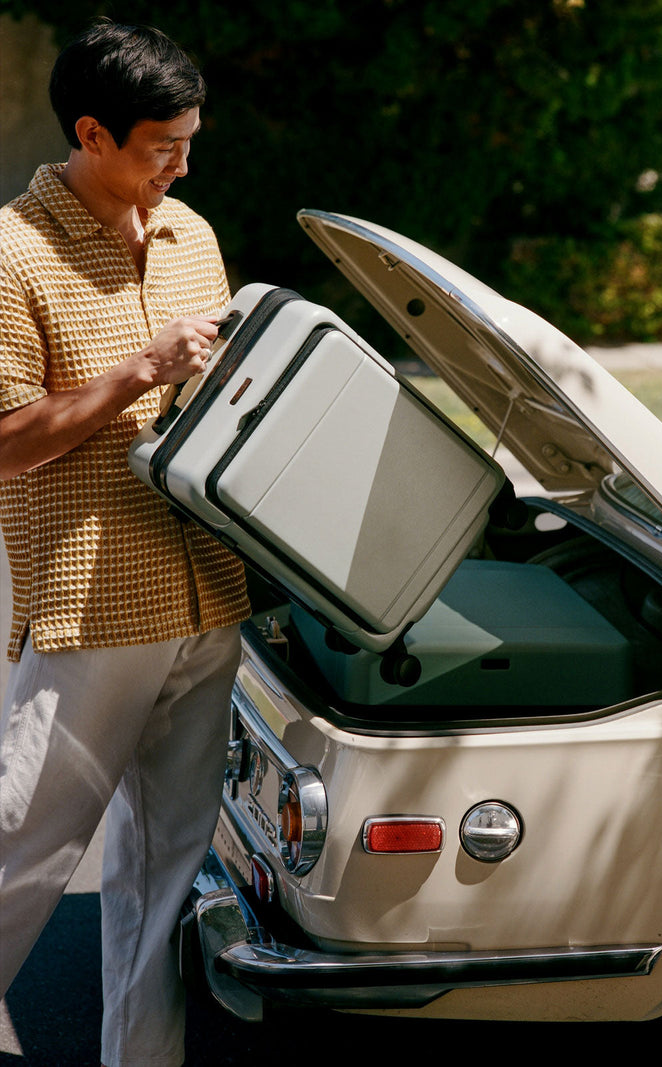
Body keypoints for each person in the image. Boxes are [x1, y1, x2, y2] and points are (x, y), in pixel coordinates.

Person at [0, 20, 251, 1065]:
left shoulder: (192, 233)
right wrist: (140, 372)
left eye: (190, 141)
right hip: (92, 607)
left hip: (208, 598)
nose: (182, 165)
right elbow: (7, 443)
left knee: (163, 882)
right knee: (19, 856)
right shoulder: (13, 251)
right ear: (92, 134)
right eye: (162, 146)